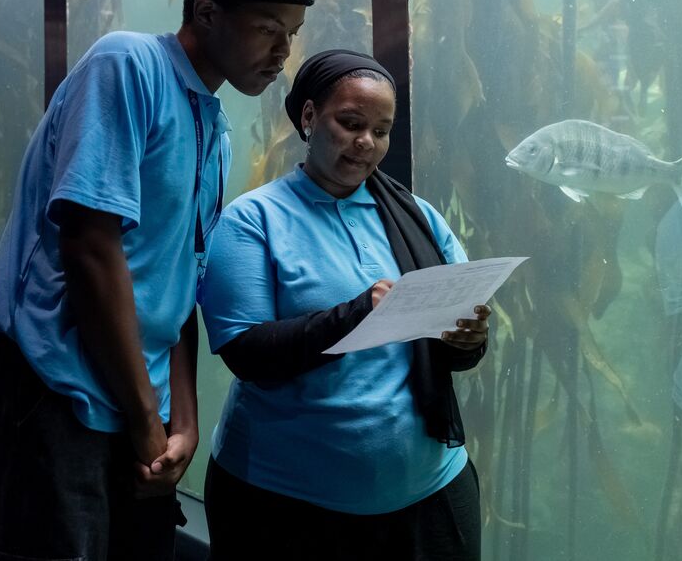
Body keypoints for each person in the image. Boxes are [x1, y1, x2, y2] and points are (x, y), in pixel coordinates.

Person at [0, 0, 314, 561]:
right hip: (52, 382)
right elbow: (91, 249)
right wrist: (146, 419)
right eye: (269, 27)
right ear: (207, 11)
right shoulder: (127, 66)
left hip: (137, 399)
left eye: (291, 33)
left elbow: (181, 280)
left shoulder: (215, 127)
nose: (283, 52)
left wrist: (182, 418)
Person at [199, 49, 493, 561]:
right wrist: (358, 312)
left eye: (381, 130)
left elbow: (456, 351)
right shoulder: (253, 220)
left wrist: (469, 340)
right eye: (351, 123)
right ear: (309, 117)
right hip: (285, 501)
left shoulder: (419, 217)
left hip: (429, 490)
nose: (367, 143)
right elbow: (245, 353)